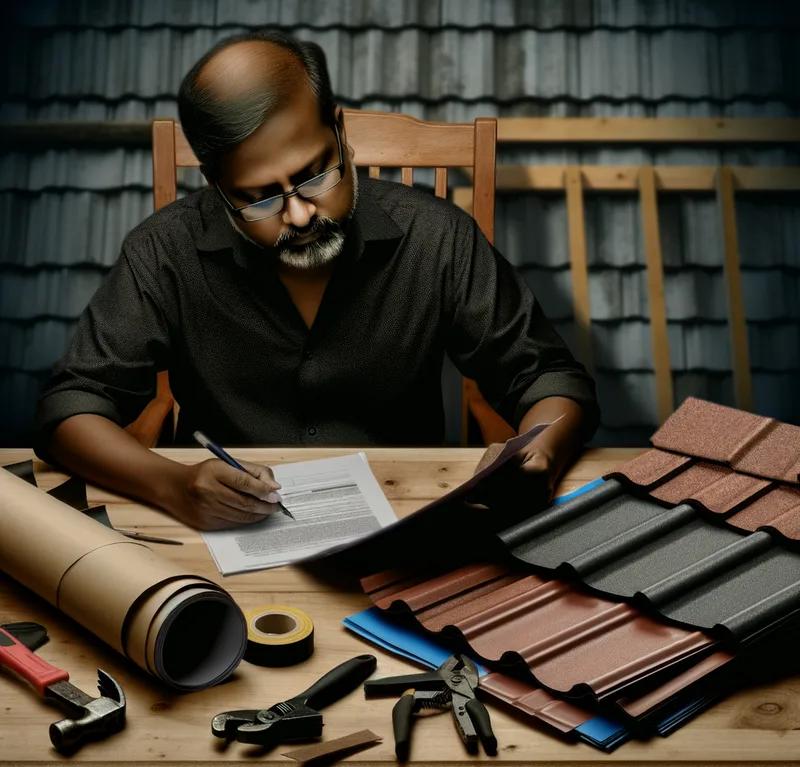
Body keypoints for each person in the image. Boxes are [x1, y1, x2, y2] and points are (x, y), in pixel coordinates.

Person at [33, 30, 600, 531]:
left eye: (315, 174)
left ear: (339, 128)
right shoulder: (164, 251)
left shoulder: (437, 237)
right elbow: (70, 408)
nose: (301, 214)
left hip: (405, 520)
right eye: (260, 197)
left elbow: (547, 375)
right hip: (223, 528)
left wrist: (542, 450)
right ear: (216, 182)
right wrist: (171, 485)